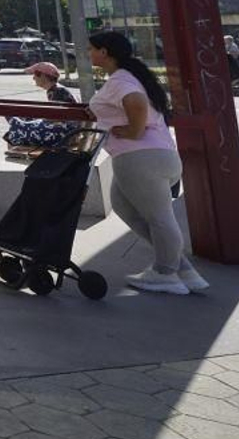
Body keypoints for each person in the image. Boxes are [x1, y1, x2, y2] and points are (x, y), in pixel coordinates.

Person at [87, 30, 206, 295]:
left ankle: (166, 274)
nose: (89, 53)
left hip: (139, 158)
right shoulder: (132, 75)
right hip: (157, 156)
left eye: (91, 49)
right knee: (123, 206)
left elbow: (137, 103)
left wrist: (133, 131)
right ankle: (182, 268)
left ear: (104, 52)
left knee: (160, 218)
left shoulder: (120, 79)